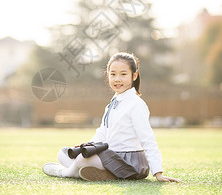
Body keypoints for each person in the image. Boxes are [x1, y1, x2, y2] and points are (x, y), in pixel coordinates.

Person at [42, 52, 183, 182]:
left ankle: (65, 173)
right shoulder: (113, 103)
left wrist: (158, 172)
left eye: (123, 74)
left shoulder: (136, 104)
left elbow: (148, 139)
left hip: (131, 163)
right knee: (63, 153)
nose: (117, 79)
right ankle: (105, 173)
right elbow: (102, 132)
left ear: (134, 76)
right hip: (109, 155)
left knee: (80, 160)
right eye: (113, 74)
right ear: (108, 75)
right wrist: (87, 146)